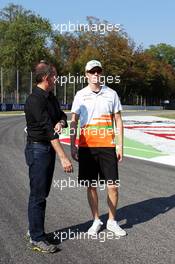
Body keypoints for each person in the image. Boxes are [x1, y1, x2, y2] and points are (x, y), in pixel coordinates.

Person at [70, 60, 126, 237]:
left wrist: (120, 145)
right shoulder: (80, 95)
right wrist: (73, 144)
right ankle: (96, 220)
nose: (95, 74)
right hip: (87, 146)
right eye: (92, 72)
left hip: (108, 146)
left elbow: (118, 120)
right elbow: (74, 120)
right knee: (91, 185)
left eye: (98, 71)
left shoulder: (111, 94)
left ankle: (111, 221)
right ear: (86, 74)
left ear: (101, 73)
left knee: (113, 185)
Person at [24, 61, 73, 253]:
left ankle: (36, 231)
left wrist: (60, 122)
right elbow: (47, 131)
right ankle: (36, 238)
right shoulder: (34, 100)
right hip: (38, 150)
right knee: (38, 195)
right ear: (46, 78)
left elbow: (61, 115)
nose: (56, 79)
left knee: (41, 194)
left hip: (47, 150)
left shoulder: (50, 97)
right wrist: (64, 157)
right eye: (54, 76)